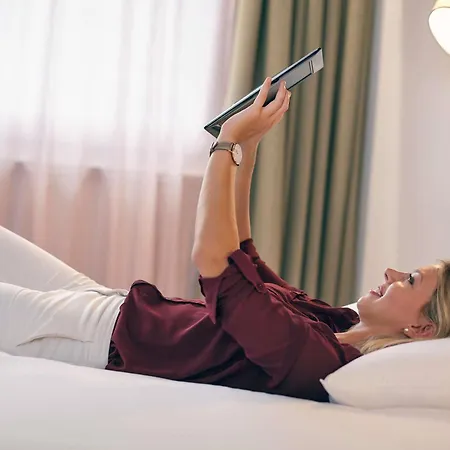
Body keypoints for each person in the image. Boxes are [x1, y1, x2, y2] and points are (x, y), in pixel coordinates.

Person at [1, 79, 450, 402]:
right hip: (117, 305)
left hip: (98, 336)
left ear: (422, 329)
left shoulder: (316, 360)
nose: (391, 273)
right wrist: (248, 149)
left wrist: (227, 144)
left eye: (410, 280)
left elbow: (214, 259)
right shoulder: (334, 321)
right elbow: (245, 255)